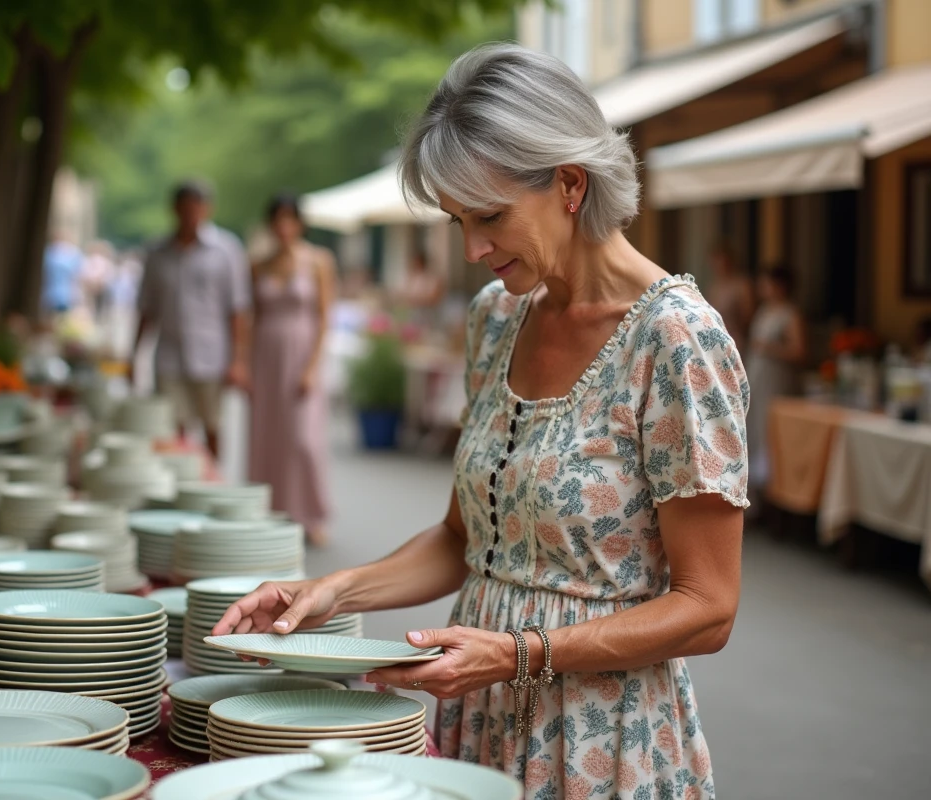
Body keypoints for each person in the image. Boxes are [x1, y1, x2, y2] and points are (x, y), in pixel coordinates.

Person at [214, 45, 748, 798]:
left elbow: (708, 608)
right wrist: (333, 591)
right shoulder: (496, 317)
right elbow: (464, 540)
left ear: (570, 183)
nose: (471, 249)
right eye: (457, 220)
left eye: (490, 216)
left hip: (602, 737)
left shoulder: (677, 340)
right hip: (481, 715)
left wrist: (520, 653)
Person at [130, 180, 251, 458]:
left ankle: (212, 476)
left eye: (196, 208)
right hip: (169, 354)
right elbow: (146, 308)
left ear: (207, 209)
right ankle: (180, 478)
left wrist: (238, 360)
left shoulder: (226, 249)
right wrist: (133, 354)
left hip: (212, 354)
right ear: (174, 209)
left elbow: (238, 309)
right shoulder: (156, 253)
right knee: (172, 427)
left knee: (213, 424)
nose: (190, 215)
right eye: (185, 208)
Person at [247, 194, 335, 546]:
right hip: (265, 358)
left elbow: (325, 317)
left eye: (290, 219)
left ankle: (311, 516)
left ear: (299, 223)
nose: (284, 226)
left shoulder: (318, 261)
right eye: (278, 219)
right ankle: (269, 512)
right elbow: (250, 319)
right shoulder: (258, 265)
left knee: (303, 440)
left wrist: (312, 367)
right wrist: (243, 364)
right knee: (268, 436)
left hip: (301, 355)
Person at [746, 265, 805, 497]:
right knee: (755, 428)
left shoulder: (790, 314)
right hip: (758, 377)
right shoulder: (764, 310)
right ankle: (756, 489)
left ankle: (773, 488)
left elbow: (798, 351)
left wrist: (769, 347)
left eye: (767, 283)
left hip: (775, 380)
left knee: (770, 430)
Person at [706, 241, 754, 350]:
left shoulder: (742, 285)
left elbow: (748, 317)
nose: (718, 265)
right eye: (715, 260)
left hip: (735, 339)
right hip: (715, 339)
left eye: (722, 260)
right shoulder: (713, 286)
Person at [42, 230, 84, 317]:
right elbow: (78, 276)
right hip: (67, 294)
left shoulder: (49, 251)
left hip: (50, 293)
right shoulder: (73, 252)